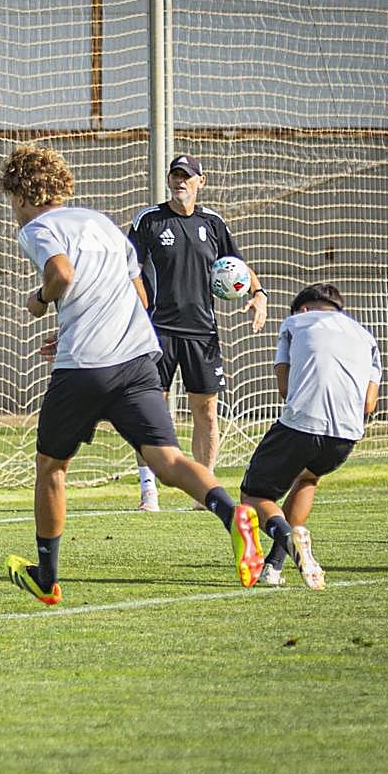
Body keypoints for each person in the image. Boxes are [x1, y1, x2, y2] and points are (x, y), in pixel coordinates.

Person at [0, 144, 265, 604]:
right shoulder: (101, 223)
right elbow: (139, 294)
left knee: (51, 468)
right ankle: (232, 514)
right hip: (139, 357)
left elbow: (61, 273)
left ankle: (46, 576)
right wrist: (80, 325)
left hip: (86, 367)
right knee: (170, 461)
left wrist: (41, 302)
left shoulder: (39, 227)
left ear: (21, 196)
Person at [127, 154, 268, 512]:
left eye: (187, 177)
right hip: (157, 333)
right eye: (175, 176)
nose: (180, 182)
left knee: (205, 411)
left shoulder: (213, 223)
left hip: (203, 334)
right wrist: (140, 312)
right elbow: (130, 270)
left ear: (200, 181)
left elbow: (238, 265)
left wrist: (258, 294)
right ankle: (149, 493)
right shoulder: (149, 221)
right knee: (151, 410)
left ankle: (204, 492)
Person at [240, 283, 380, 589]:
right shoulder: (366, 337)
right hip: (346, 436)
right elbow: (370, 404)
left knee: (254, 496)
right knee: (307, 478)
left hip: (301, 424)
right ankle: (274, 568)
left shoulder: (294, 323)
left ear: (303, 309)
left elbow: (285, 389)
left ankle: (289, 536)